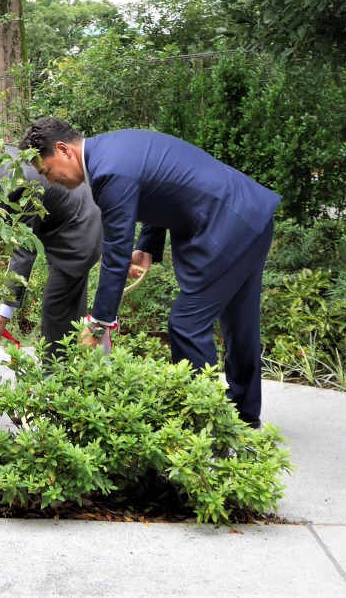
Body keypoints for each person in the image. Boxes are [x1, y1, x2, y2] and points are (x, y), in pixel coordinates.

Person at [19, 117, 281, 427]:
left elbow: (115, 252)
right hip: (251, 216)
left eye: (47, 171)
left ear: (63, 150)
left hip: (226, 225)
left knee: (187, 325)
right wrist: (148, 245)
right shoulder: (114, 147)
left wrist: (100, 322)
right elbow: (164, 184)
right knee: (240, 322)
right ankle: (245, 415)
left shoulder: (108, 172)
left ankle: (205, 425)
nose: (51, 182)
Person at [0, 146, 102, 360]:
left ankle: (55, 378)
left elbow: (23, 251)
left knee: (56, 307)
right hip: (59, 222)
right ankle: (73, 369)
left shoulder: (20, 182)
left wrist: (2, 315)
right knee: (67, 307)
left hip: (80, 229)